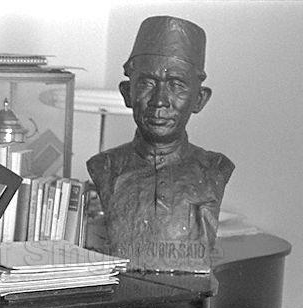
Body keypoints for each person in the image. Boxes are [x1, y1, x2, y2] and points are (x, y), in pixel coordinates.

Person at [87, 16, 234, 272]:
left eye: (177, 86)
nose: (160, 101)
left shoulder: (215, 169)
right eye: (147, 83)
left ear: (199, 99)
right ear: (127, 93)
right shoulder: (104, 166)